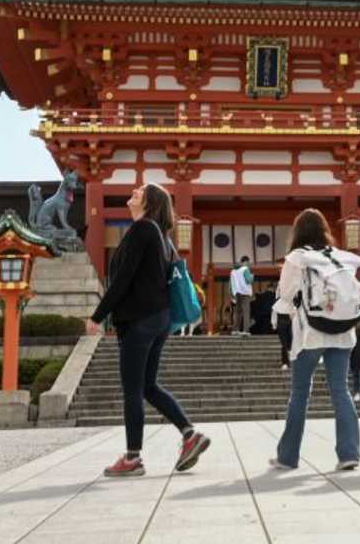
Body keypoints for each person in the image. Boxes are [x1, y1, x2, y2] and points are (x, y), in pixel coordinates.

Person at [89, 182, 210, 478]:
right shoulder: (161, 236)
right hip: (158, 319)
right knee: (147, 386)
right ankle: (189, 433)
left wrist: (98, 315)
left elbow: (123, 279)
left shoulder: (143, 229)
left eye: (140, 191)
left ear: (151, 201)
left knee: (133, 389)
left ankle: (133, 458)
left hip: (140, 320)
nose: (134, 192)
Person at [270, 208, 360, 471]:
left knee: (300, 394)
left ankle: (288, 457)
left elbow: (286, 297)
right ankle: (349, 454)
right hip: (343, 331)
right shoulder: (340, 258)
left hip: (309, 333)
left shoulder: (297, 258)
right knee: (340, 390)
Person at [230, 255, 254, 336]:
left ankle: (235, 330)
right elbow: (248, 280)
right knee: (246, 311)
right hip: (245, 292)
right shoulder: (245, 269)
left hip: (237, 292)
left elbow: (230, 284)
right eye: (249, 262)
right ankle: (245, 330)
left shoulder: (233, 271)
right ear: (246, 261)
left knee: (238, 312)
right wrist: (252, 276)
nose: (249, 264)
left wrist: (231, 294)